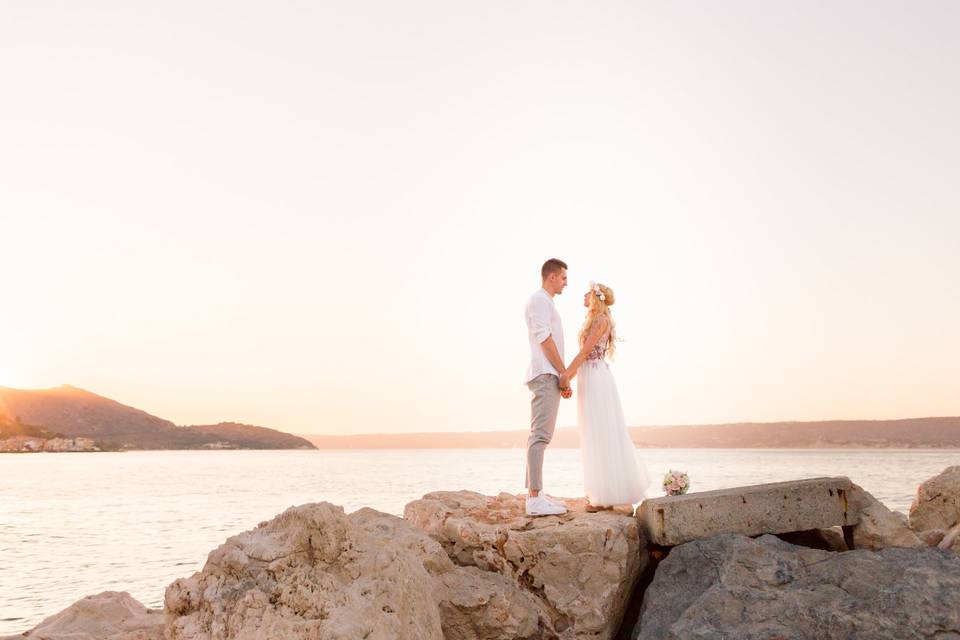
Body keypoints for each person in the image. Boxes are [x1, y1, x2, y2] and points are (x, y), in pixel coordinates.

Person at [559, 282, 650, 510]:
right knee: (593, 430)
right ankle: (599, 491)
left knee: (599, 431)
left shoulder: (600, 320)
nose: (583, 294)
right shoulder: (597, 319)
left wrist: (566, 375)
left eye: (587, 292)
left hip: (595, 376)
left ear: (595, 297)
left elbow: (585, 352)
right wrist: (572, 375)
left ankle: (603, 495)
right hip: (591, 374)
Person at [523, 258, 572, 516]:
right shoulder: (539, 300)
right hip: (545, 373)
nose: (566, 283)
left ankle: (537, 493)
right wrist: (563, 372)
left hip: (548, 374)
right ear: (551, 276)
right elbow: (544, 338)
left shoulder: (546, 302)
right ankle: (533, 499)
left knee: (541, 435)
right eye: (564, 277)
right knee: (539, 436)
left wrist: (561, 376)